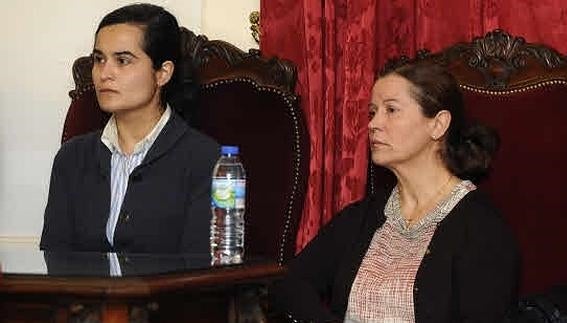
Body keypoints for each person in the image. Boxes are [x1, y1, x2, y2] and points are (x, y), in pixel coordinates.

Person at [271, 62, 520, 322]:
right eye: (372, 112)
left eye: (391, 110)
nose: (373, 124)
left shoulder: (482, 228)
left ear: (438, 124)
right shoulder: (361, 217)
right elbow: (291, 284)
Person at [40, 4, 219, 254]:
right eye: (99, 59)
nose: (104, 73)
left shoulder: (206, 159)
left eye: (122, 61)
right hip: (82, 293)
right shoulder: (71, 158)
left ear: (162, 73)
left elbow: (201, 275)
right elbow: (54, 262)